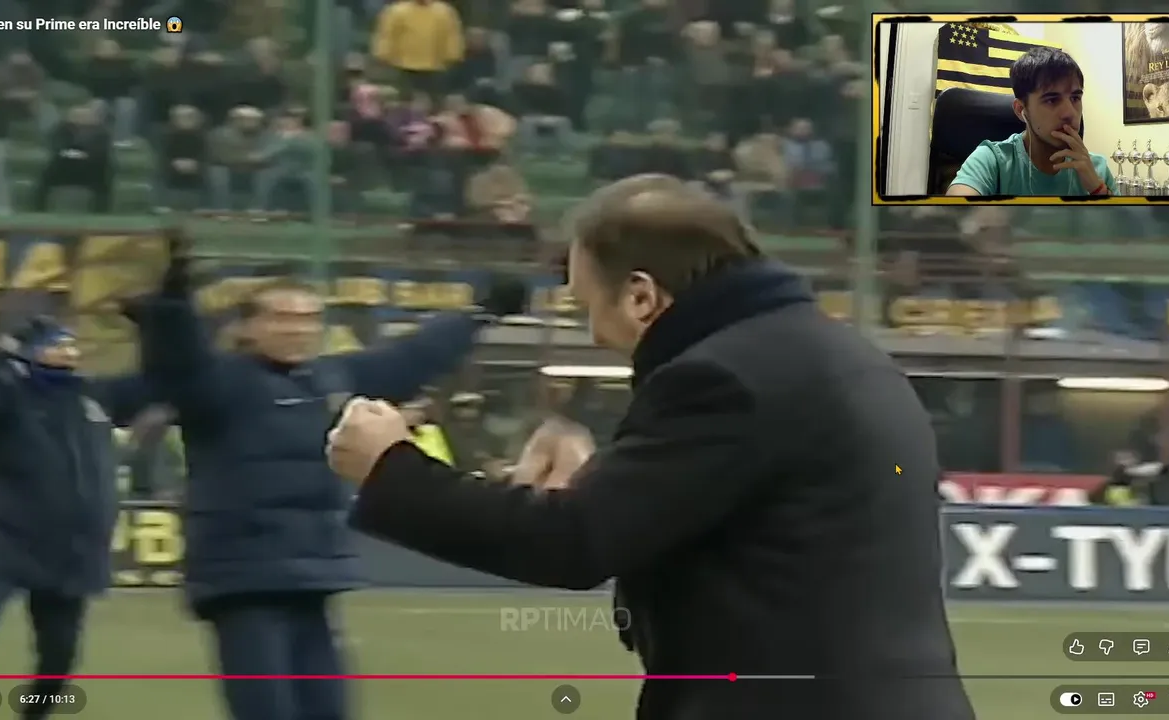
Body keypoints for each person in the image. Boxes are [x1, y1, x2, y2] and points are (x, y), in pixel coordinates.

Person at [326, 175, 977, 720]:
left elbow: (572, 542)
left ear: (641, 296)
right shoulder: (828, 353)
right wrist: (607, 476)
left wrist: (390, 468)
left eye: (588, 306)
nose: (592, 332)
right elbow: (745, 507)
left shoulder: (722, 377)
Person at [137, 232, 527, 720]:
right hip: (242, 582)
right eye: (282, 317)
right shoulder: (220, 384)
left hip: (311, 577)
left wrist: (480, 315)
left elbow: (412, 357)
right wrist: (172, 306)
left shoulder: (330, 379)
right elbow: (178, 364)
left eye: (308, 318)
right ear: (248, 327)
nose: (298, 329)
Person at [0, 316, 152, 719]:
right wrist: (3, 349)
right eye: (56, 344)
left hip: (71, 553)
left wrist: (161, 325)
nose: (69, 351)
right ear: (30, 351)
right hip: (11, 544)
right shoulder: (4, 400)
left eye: (71, 344)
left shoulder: (92, 397)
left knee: (58, 661)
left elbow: (156, 382)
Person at [947, 46, 1116, 197]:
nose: (1069, 113)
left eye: (1075, 98)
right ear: (1021, 110)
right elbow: (954, 214)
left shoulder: (1097, 169)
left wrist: (1097, 189)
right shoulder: (992, 160)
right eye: (1052, 100)